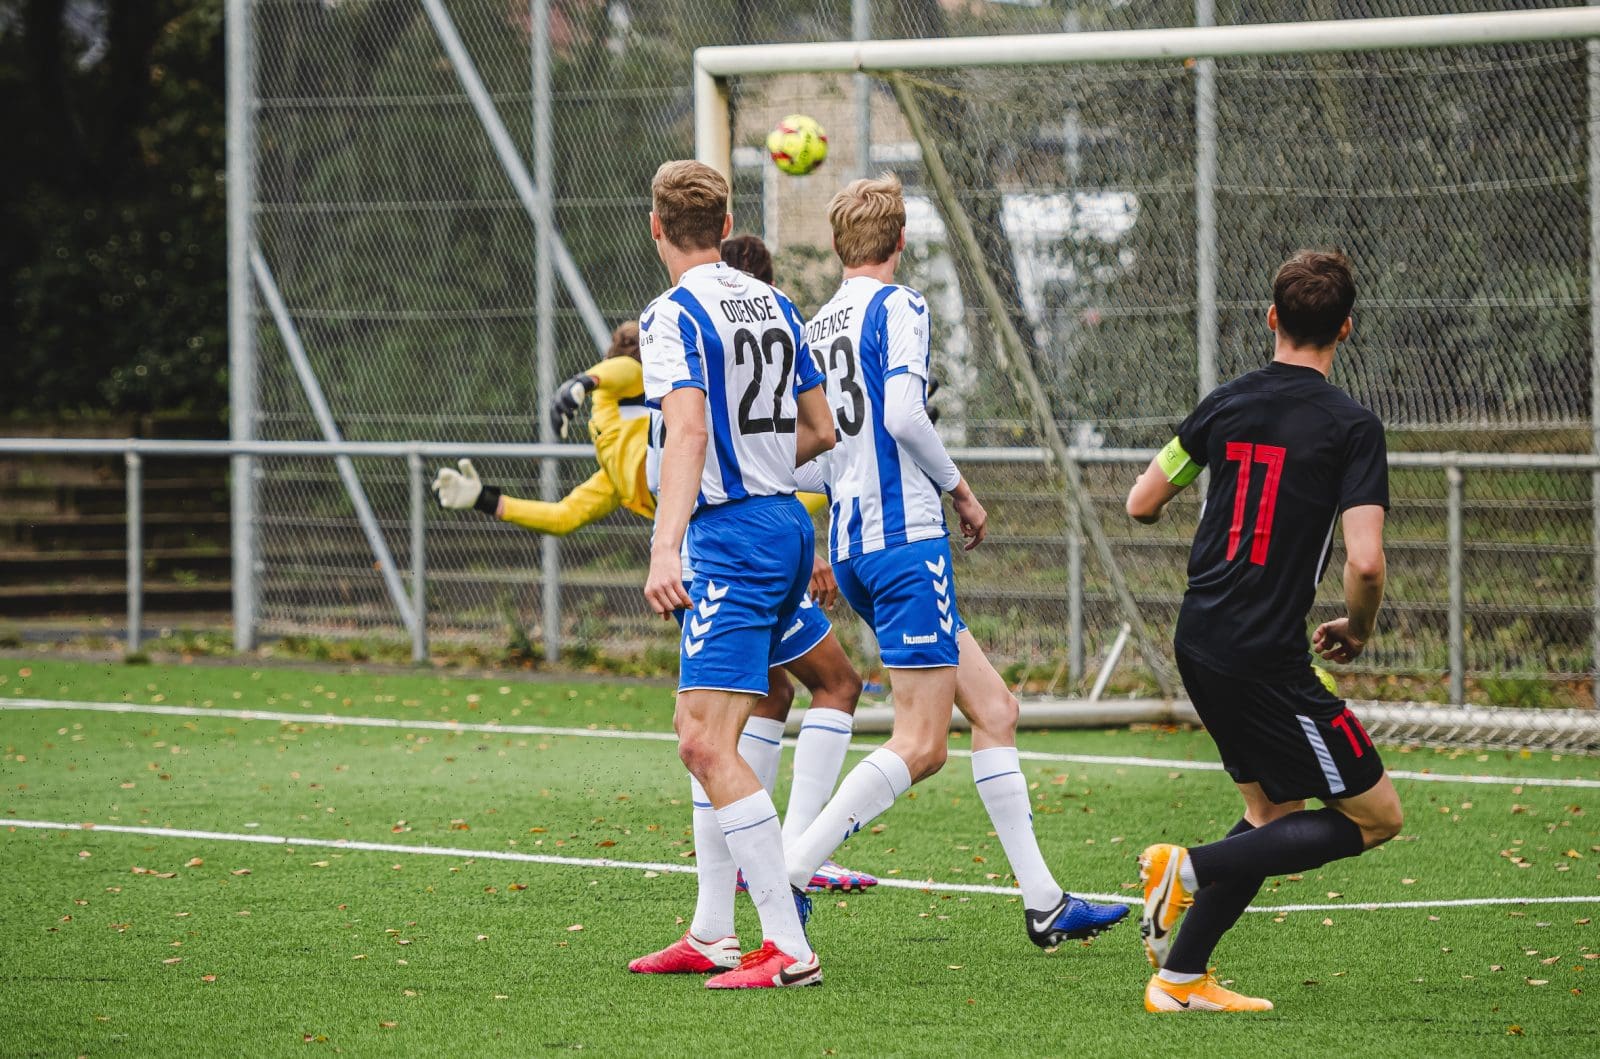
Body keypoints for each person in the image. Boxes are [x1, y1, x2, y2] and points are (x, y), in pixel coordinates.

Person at [430, 249, 875, 898]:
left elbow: (568, 504)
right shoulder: (650, 410)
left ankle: (766, 867)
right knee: (737, 722)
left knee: (771, 701)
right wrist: (580, 387)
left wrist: (494, 492)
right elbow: (623, 393)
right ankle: (771, 869)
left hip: (732, 537)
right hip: (720, 549)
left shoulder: (637, 432)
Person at [781, 173, 1129, 956]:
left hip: (857, 544)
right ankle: (791, 869)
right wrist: (961, 490)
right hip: (906, 541)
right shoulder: (900, 306)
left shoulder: (815, 325)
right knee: (923, 743)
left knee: (996, 709)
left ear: (838, 245)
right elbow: (905, 414)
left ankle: (1045, 902)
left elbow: (813, 455)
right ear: (901, 240)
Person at [1124, 249, 1404, 1013]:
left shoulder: (1225, 403)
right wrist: (1358, 627)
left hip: (1199, 636)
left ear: (1272, 317)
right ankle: (1186, 868)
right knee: (1378, 817)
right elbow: (1366, 562)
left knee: (1270, 812)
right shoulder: (1352, 427)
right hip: (1265, 653)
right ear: (1346, 328)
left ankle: (1179, 978)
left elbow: (1141, 502)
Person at [633, 159, 836, 989]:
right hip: (784, 522)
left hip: (731, 537)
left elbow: (686, 433)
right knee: (711, 725)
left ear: (655, 228)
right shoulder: (777, 304)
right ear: (724, 226)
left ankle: (787, 944)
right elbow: (820, 429)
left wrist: (665, 544)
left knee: (702, 739)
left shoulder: (671, 314)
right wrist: (759, 465)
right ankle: (714, 930)